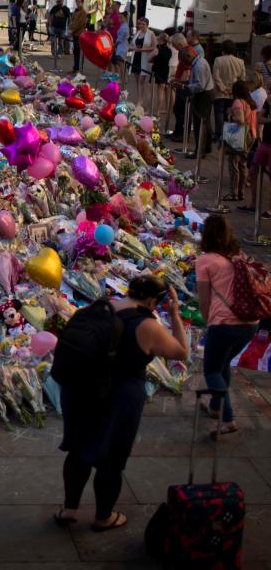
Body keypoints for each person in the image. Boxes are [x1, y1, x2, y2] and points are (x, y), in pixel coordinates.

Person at [55, 275, 188, 532]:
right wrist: (174, 314)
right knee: (111, 459)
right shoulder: (147, 325)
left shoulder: (102, 309)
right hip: (120, 396)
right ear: (153, 300)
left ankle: (69, 509)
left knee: (79, 449)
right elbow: (181, 351)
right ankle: (103, 517)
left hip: (83, 390)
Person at [195, 216, 258, 436]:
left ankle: (228, 418)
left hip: (224, 324)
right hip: (250, 324)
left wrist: (208, 322)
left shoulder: (205, 261)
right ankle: (215, 406)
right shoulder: (238, 256)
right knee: (222, 366)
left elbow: (204, 300)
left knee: (211, 370)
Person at [222, 80, 256, 202]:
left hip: (239, 136)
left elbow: (240, 119)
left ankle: (234, 193)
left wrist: (230, 115)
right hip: (250, 135)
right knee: (243, 165)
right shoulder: (250, 102)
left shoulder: (237, 102)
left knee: (233, 164)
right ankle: (241, 192)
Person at [184, 45, 215, 159]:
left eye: (184, 60)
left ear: (189, 55)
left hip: (204, 96)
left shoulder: (199, 66)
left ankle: (200, 151)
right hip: (206, 94)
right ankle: (205, 147)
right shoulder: (199, 62)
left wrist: (188, 87)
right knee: (204, 123)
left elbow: (200, 85)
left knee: (200, 124)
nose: (185, 63)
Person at [212, 39, 246, 141]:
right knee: (231, 114)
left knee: (219, 113)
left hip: (220, 92)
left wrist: (223, 88)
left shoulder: (218, 60)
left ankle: (219, 133)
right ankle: (229, 135)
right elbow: (242, 79)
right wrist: (233, 90)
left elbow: (216, 76)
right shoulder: (240, 62)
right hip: (234, 93)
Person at [244, 93, 271, 218]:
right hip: (265, 142)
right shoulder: (268, 101)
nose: (269, 92)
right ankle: (253, 204)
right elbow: (259, 118)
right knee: (253, 171)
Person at [129, 18, 156, 111]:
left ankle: (140, 101)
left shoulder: (151, 34)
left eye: (143, 24)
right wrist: (132, 48)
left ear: (147, 25)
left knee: (141, 80)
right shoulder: (138, 33)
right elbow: (132, 43)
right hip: (136, 57)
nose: (141, 26)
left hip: (144, 59)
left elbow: (154, 47)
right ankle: (140, 98)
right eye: (140, 24)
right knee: (137, 81)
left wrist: (141, 50)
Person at [151, 32, 173, 123]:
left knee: (158, 91)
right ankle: (159, 110)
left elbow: (151, 58)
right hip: (165, 70)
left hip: (157, 70)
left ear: (161, 40)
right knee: (162, 90)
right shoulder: (169, 50)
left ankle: (156, 110)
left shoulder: (158, 49)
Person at [47, 0, 71, 66]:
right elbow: (50, 14)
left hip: (62, 28)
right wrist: (50, 22)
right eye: (57, 1)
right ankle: (54, 54)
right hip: (54, 27)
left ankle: (59, 53)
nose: (58, 2)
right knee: (53, 41)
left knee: (61, 42)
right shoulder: (55, 7)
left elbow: (69, 17)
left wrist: (69, 26)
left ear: (62, 1)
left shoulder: (66, 9)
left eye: (59, 1)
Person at [69, 0, 88, 73]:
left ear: (82, 3)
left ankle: (78, 68)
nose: (78, 3)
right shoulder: (75, 11)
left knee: (77, 51)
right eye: (77, 2)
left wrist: (73, 30)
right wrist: (71, 29)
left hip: (79, 34)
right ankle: (75, 68)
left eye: (79, 2)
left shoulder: (83, 12)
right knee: (75, 51)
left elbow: (80, 23)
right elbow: (72, 21)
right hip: (74, 33)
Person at [112, 10, 130, 77]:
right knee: (120, 64)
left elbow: (120, 39)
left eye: (121, 17)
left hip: (122, 47)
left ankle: (123, 78)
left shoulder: (124, 27)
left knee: (121, 64)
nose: (119, 19)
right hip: (121, 46)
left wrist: (114, 45)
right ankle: (122, 77)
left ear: (125, 18)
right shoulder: (123, 26)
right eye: (119, 17)